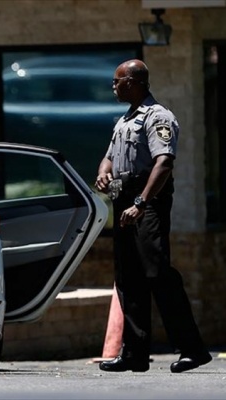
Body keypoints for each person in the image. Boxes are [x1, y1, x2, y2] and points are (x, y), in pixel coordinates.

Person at [94, 59, 212, 374]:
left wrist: (141, 203)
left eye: (117, 81)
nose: (114, 86)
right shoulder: (124, 120)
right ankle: (134, 353)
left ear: (134, 82)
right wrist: (104, 172)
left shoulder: (158, 117)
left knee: (157, 273)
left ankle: (193, 349)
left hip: (146, 201)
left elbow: (164, 163)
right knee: (128, 278)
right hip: (123, 201)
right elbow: (109, 156)